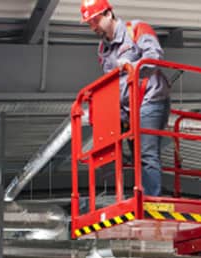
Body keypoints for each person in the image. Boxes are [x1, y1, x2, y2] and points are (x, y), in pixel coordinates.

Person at [81, 0, 171, 196]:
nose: (93, 27)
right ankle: (137, 197)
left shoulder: (137, 29)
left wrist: (133, 66)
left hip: (150, 99)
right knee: (133, 155)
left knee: (146, 153)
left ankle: (150, 200)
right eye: (89, 24)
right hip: (128, 108)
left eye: (95, 20)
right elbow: (113, 85)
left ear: (108, 14)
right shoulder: (103, 50)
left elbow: (154, 57)